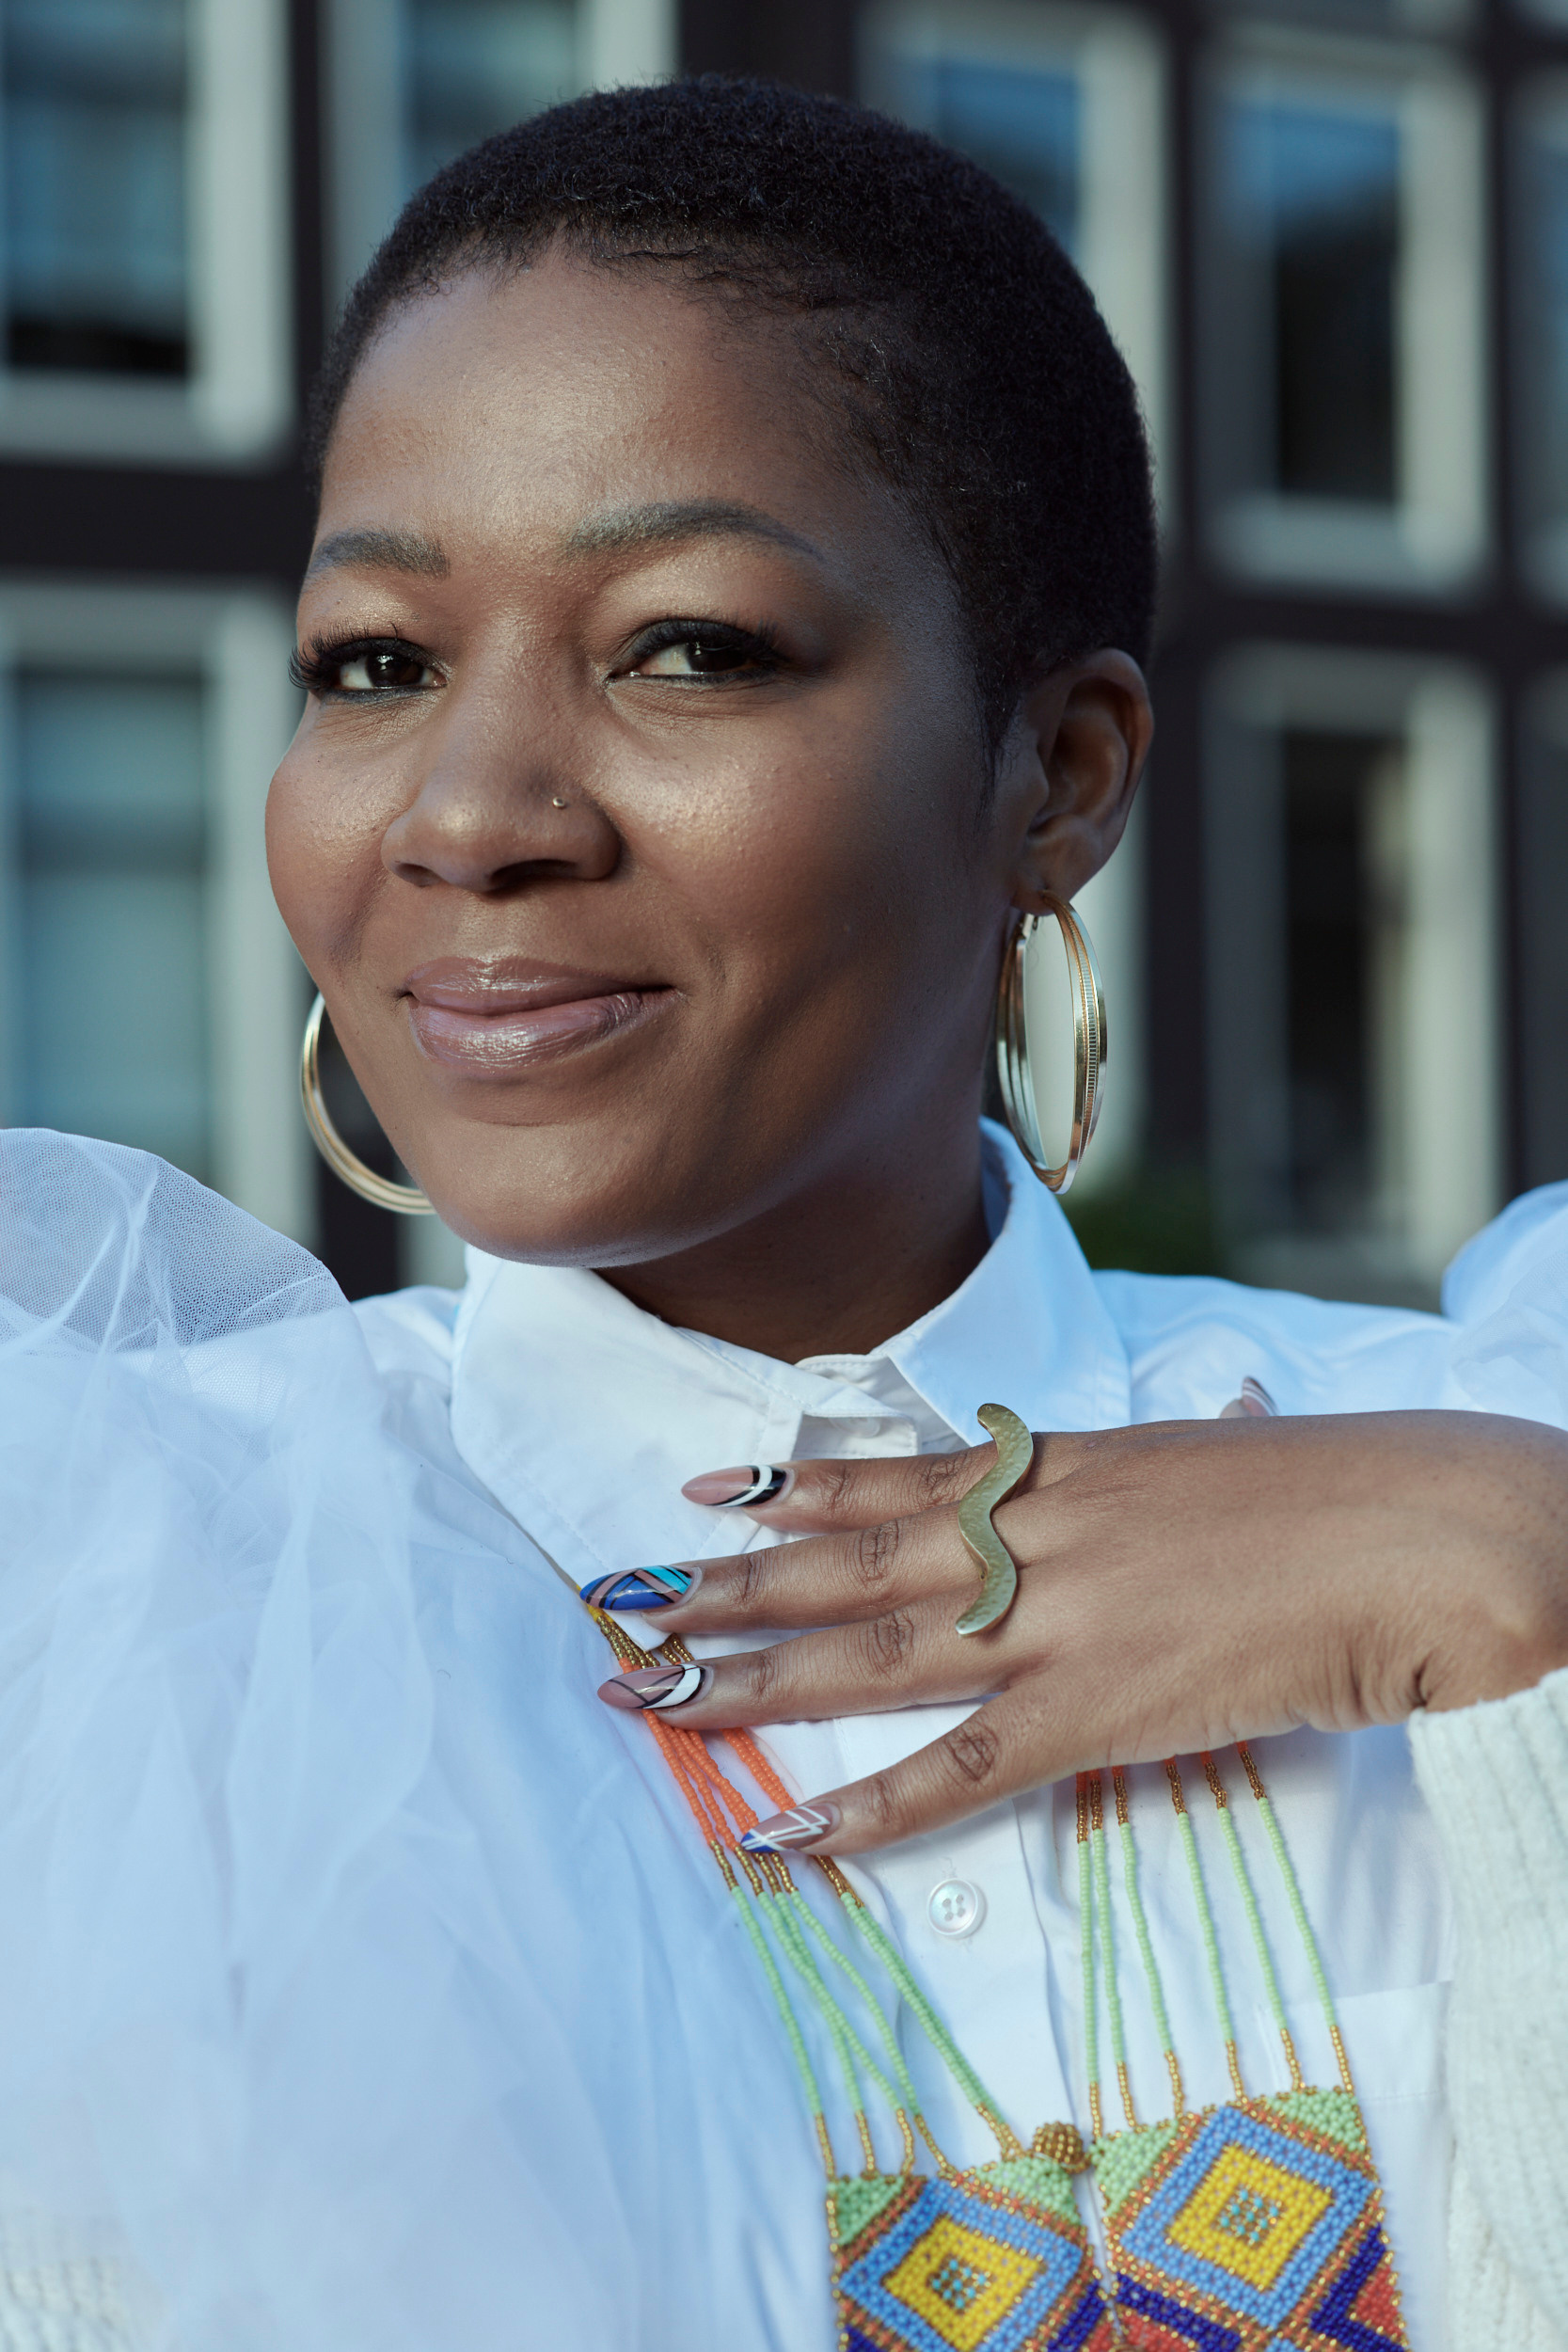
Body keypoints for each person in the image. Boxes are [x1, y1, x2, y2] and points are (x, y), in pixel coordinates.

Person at [0, 72, 1563, 2352]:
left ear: (1061, 775)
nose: (471, 813)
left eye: (687, 645)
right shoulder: (117, 1624)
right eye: (378, 663)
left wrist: (1516, 1572)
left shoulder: (1481, 1470)